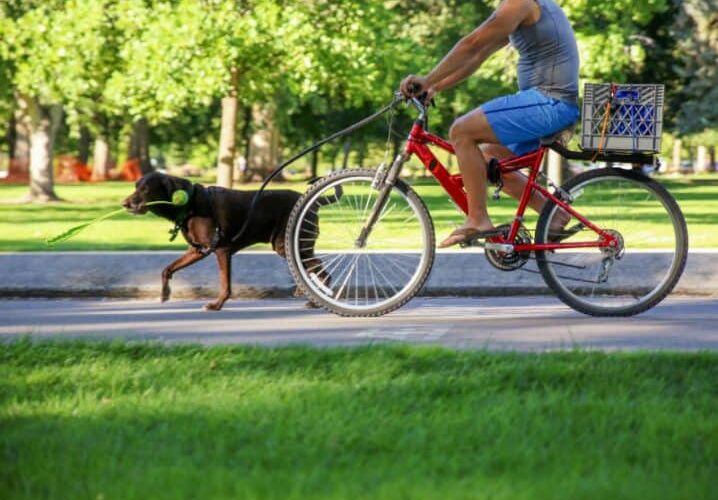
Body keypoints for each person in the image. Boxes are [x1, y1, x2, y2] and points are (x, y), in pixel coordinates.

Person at [400, 0, 580, 248]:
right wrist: (434, 86)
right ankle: (554, 215)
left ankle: (477, 219)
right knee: (487, 159)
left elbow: (471, 44)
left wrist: (426, 78)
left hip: (549, 103)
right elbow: (479, 54)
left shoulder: (520, 3)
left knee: (461, 131)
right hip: (548, 103)